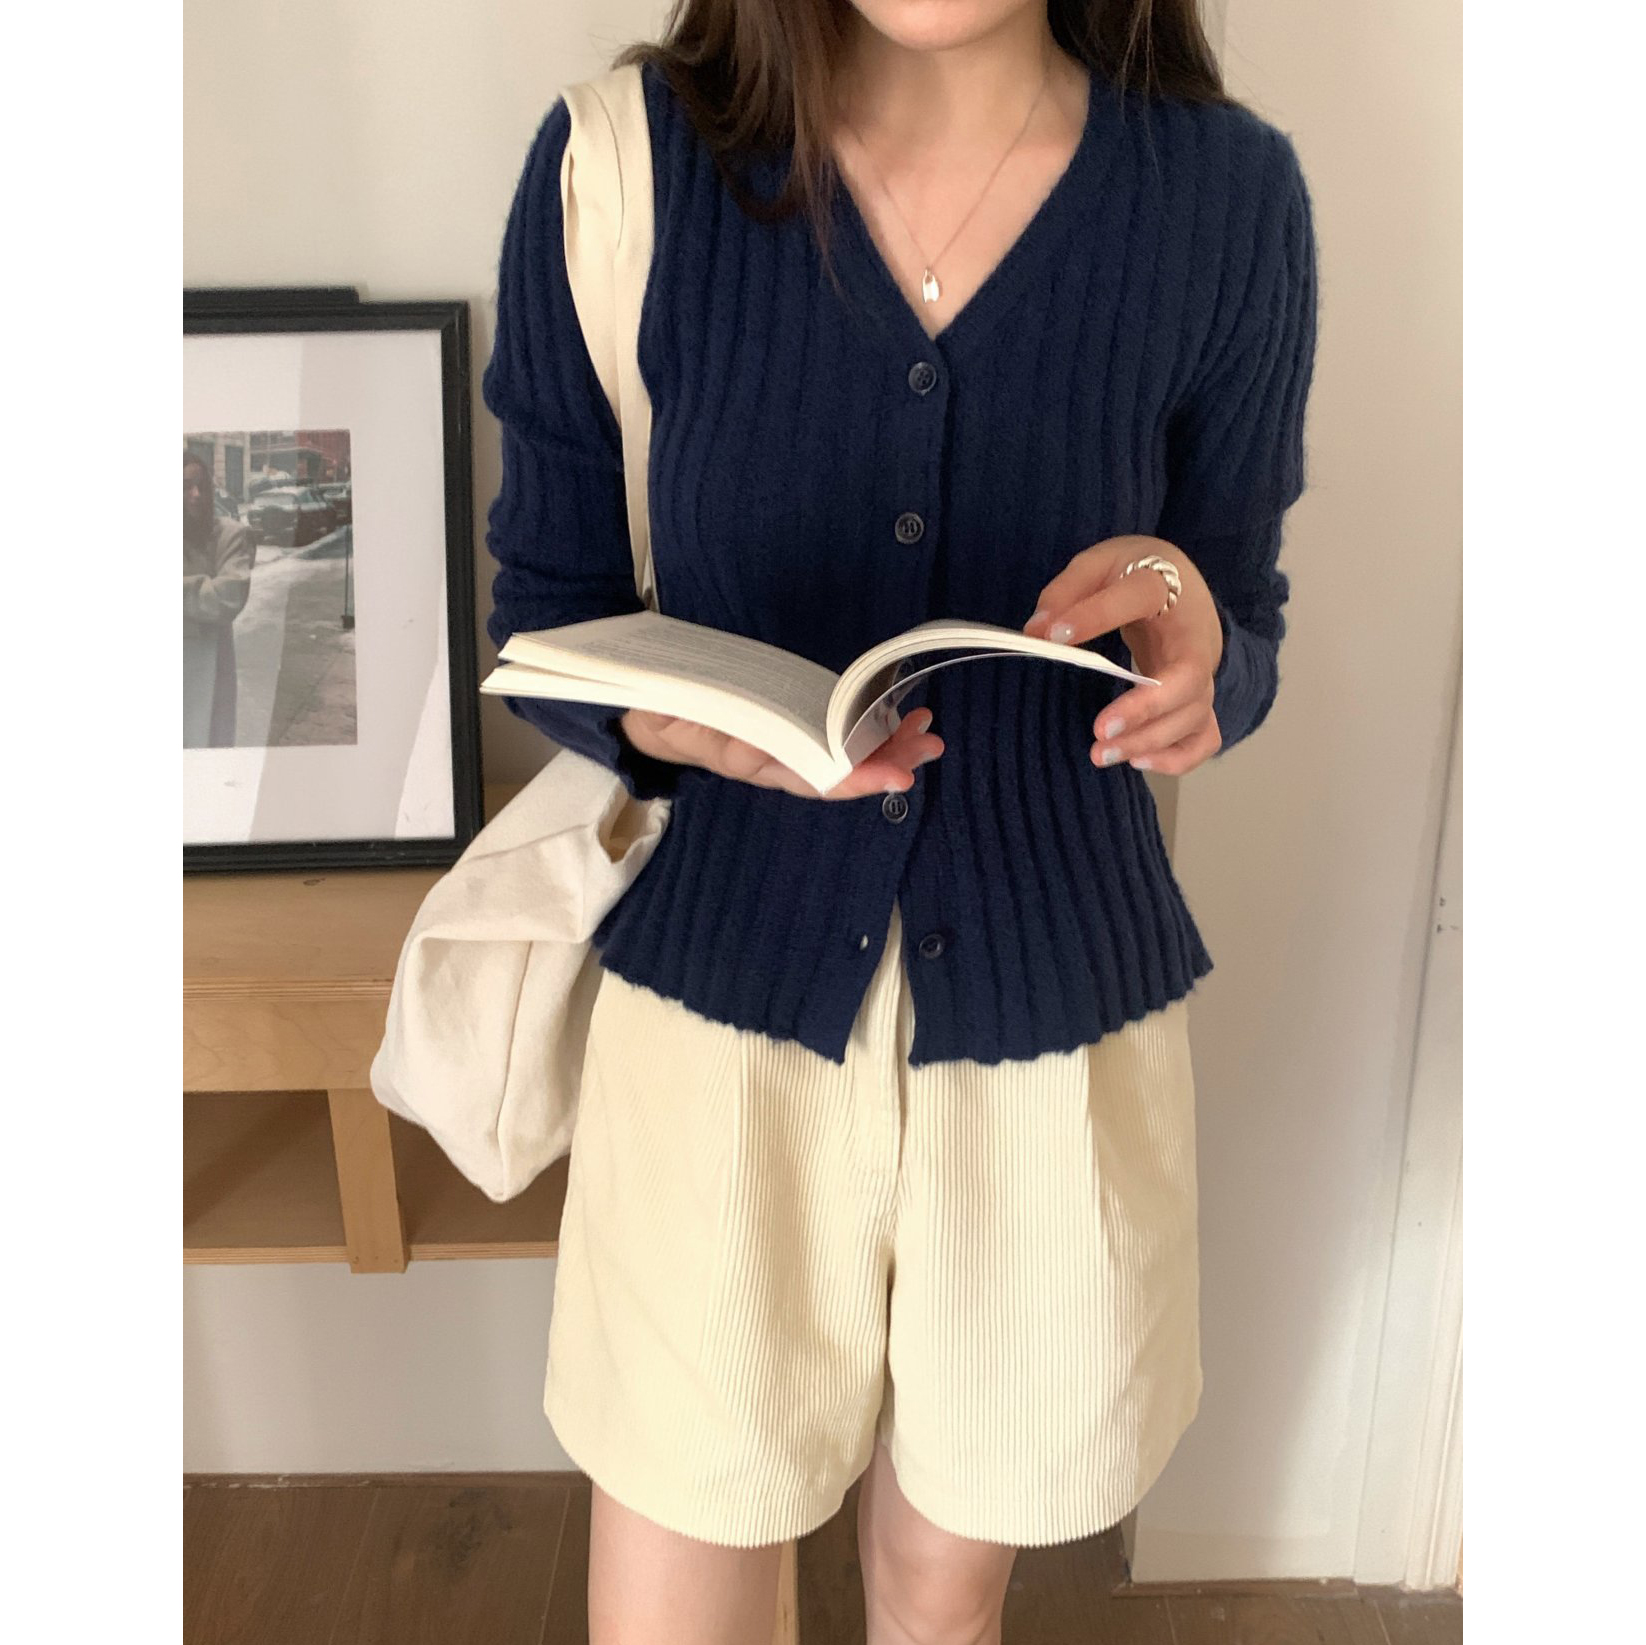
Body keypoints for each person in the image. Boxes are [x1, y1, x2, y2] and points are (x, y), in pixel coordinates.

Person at [483, 2, 1319, 1640]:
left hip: (1047, 1020)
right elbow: (544, 613)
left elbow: (1239, 613)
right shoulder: (622, 168)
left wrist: (1197, 639)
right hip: (720, 1014)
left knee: (943, 1597)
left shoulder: (1224, 199)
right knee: (680, 1565)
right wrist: (659, 724)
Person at [183, 450, 254, 747]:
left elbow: (228, 597)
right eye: (186, 486)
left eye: (202, 486)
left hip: (211, 666)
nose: (196, 495)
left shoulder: (230, 535)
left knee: (207, 742)